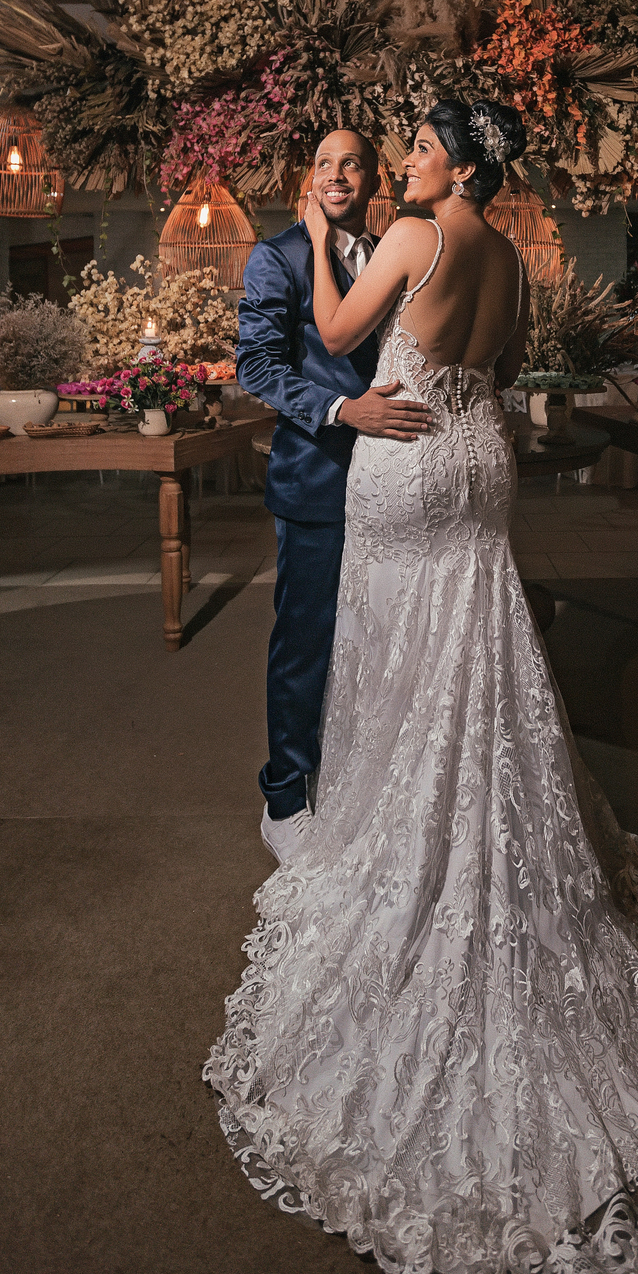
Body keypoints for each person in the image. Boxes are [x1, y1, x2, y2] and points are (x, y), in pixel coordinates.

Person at [207, 101, 638, 1274]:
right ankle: (474, 802)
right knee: (478, 636)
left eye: (418, 148)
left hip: (407, 466)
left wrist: (322, 248)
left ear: (459, 165)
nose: (401, 163)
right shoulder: (511, 254)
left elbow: (333, 329)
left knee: (399, 651)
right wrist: (439, 377)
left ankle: (400, 836)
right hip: (476, 457)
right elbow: (502, 371)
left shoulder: (415, 236)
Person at [234, 128, 432, 862]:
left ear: (376, 178)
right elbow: (256, 366)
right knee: (306, 642)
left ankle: (358, 783)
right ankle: (285, 796)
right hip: (315, 478)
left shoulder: (394, 250)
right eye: (324, 163)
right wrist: (344, 410)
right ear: (310, 178)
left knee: (380, 637)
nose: (336, 174)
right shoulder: (278, 256)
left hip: (393, 478)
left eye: (351, 163)